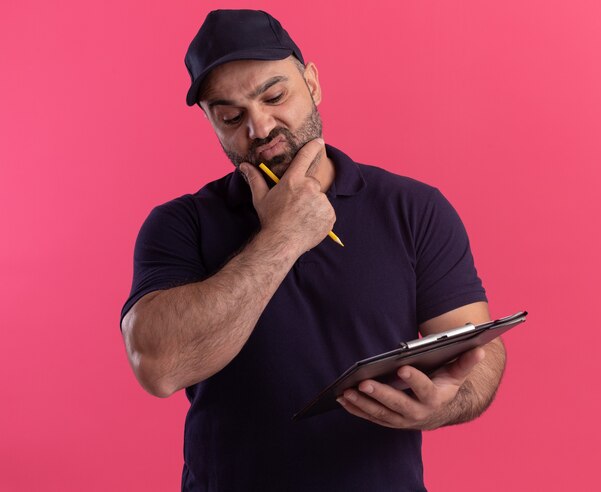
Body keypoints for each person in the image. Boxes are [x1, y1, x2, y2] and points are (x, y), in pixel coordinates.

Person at [120, 9, 506, 492]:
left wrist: (441, 403)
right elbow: (157, 368)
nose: (259, 129)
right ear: (210, 122)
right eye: (231, 116)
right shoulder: (181, 224)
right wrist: (284, 236)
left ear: (313, 84)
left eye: (274, 96)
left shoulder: (414, 208)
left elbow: (476, 350)